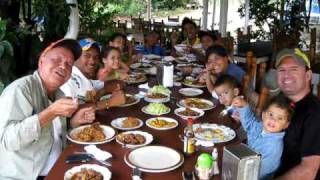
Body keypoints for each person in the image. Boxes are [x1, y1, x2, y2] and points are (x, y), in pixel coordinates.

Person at [0, 39, 96, 179]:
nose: (63, 66)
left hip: (61, 166)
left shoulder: (59, 94)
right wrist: (50, 113)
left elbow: (55, 136)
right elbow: (8, 141)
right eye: (57, 59)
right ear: (41, 61)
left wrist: (73, 122)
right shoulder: (20, 89)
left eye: (69, 64)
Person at [274, 48, 320, 179]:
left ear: (308, 75)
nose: (286, 75)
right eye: (282, 70)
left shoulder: (314, 114)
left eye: (294, 69)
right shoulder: (280, 101)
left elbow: (308, 171)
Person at [233, 94, 293, 180]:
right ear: (263, 115)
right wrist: (244, 106)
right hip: (245, 164)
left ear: (286, 125)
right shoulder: (259, 126)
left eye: (280, 118)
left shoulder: (274, 147)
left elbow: (262, 172)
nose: (273, 120)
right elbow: (249, 124)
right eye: (271, 114)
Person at [60, 38, 126, 109]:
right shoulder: (68, 79)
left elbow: (117, 83)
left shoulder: (85, 79)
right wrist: (109, 102)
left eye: (96, 57)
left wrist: (103, 90)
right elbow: (69, 110)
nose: (92, 61)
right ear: (75, 57)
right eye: (87, 56)